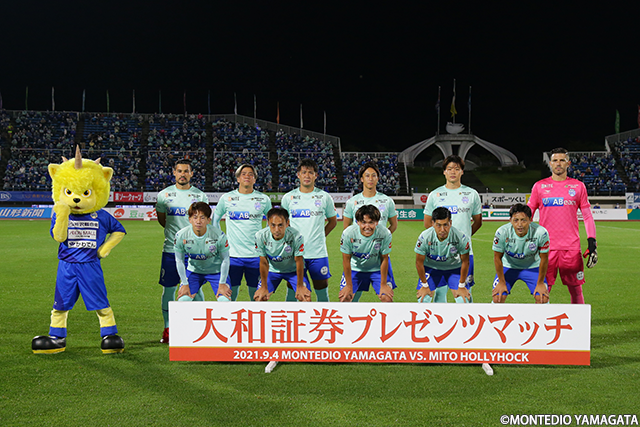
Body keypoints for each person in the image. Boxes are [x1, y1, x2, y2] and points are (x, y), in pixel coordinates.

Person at [528, 148, 597, 304]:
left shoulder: (578, 186)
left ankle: (578, 319)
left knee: (576, 290)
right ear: (550, 163)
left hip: (571, 248)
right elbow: (528, 215)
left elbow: (587, 216)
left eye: (562, 160)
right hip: (545, 248)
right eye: (555, 160)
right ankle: (541, 318)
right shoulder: (539, 186)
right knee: (542, 290)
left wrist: (592, 241)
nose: (558, 164)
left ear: (568, 163)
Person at [156, 159, 208, 344]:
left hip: (194, 252)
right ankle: (168, 328)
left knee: (196, 289)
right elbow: (162, 220)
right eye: (179, 171)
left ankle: (202, 327)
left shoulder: (200, 195)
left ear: (191, 173)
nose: (183, 174)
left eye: (186, 171)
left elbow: (202, 223)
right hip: (171, 250)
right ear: (174, 172)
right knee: (169, 289)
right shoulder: (164, 195)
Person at [423, 155, 482, 302]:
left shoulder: (472, 194)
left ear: (462, 171)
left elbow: (477, 222)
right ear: (444, 172)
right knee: (439, 294)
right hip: (439, 253)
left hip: (464, 253)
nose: (453, 172)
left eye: (456, 168)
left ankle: (467, 318)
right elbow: (427, 223)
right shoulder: (435, 195)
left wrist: (463, 238)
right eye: (449, 169)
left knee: (464, 296)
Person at [213, 164, 272, 301]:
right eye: (243, 174)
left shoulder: (263, 199)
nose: (247, 176)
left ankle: (255, 315)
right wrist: (220, 240)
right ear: (238, 178)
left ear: (254, 179)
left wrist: (267, 240)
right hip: (232, 256)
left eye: (251, 174)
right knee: (230, 294)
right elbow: (215, 219)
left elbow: (273, 221)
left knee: (257, 296)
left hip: (256, 256)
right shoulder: (227, 198)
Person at [281, 158, 337, 301]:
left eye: (310, 173)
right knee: (293, 291)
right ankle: (289, 316)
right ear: (298, 175)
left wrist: (320, 236)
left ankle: (323, 316)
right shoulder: (288, 198)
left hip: (318, 253)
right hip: (295, 254)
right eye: (304, 172)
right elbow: (283, 224)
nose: (307, 175)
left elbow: (333, 221)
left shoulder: (324, 197)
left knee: (322, 292)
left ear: (316, 176)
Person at [343, 161, 398, 290]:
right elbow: (347, 228)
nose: (371, 178)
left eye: (374, 175)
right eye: (367, 175)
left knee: (386, 295)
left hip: (378, 255)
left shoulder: (387, 201)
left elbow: (394, 225)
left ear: (378, 178)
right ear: (362, 179)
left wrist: (381, 240)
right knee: (350, 295)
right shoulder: (352, 202)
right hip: (358, 256)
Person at [492, 203, 550, 303]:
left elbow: (544, 258)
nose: (519, 224)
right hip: (508, 267)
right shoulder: (502, 232)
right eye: (516, 220)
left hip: (532, 267)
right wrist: (501, 282)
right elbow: (497, 258)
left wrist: (540, 283)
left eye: (523, 220)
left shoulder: (541, 233)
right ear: (510, 220)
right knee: (498, 298)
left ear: (530, 220)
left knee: (542, 298)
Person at [174, 202, 231, 302]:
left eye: (202, 218)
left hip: (216, 272)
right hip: (194, 272)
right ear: (190, 219)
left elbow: (225, 259)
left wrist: (222, 283)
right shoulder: (181, 236)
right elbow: (179, 260)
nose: (198, 221)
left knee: (224, 300)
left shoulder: (219, 236)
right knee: (183, 300)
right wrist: (184, 283)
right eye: (195, 217)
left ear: (208, 220)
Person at [253, 207, 311, 302]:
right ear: (268, 223)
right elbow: (263, 262)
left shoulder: (296, 236)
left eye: (280, 225)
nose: (276, 230)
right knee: (259, 298)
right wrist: (263, 286)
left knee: (305, 297)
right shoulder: (260, 236)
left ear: (287, 223)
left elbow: (299, 260)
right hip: (272, 271)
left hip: (293, 271)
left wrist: (300, 286)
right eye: (273, 225)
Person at [414, 207, 471, 303]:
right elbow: (419, 263)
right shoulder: (424, 237)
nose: (442, 229)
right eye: (438, 225)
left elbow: (465, 261)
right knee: (423, 299)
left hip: (454, 269)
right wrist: (424, 285)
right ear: (433, 223)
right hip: (432, 269)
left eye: (446, 225)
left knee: (464, 300)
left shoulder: (460, 237)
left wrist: (461, 286)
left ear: (450, 223)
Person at [339, 205, 394, 302]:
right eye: (363, 222)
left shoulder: (384, 233)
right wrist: (348, 285)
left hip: (376, 269)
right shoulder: (348, 233)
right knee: (345, 297)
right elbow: (346, 260)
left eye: (371, 222)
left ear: (377, 222)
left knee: (387, 298)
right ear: (358, 222)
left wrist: (383, 284)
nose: (367, 227)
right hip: (355, 269)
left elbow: (384, 259)